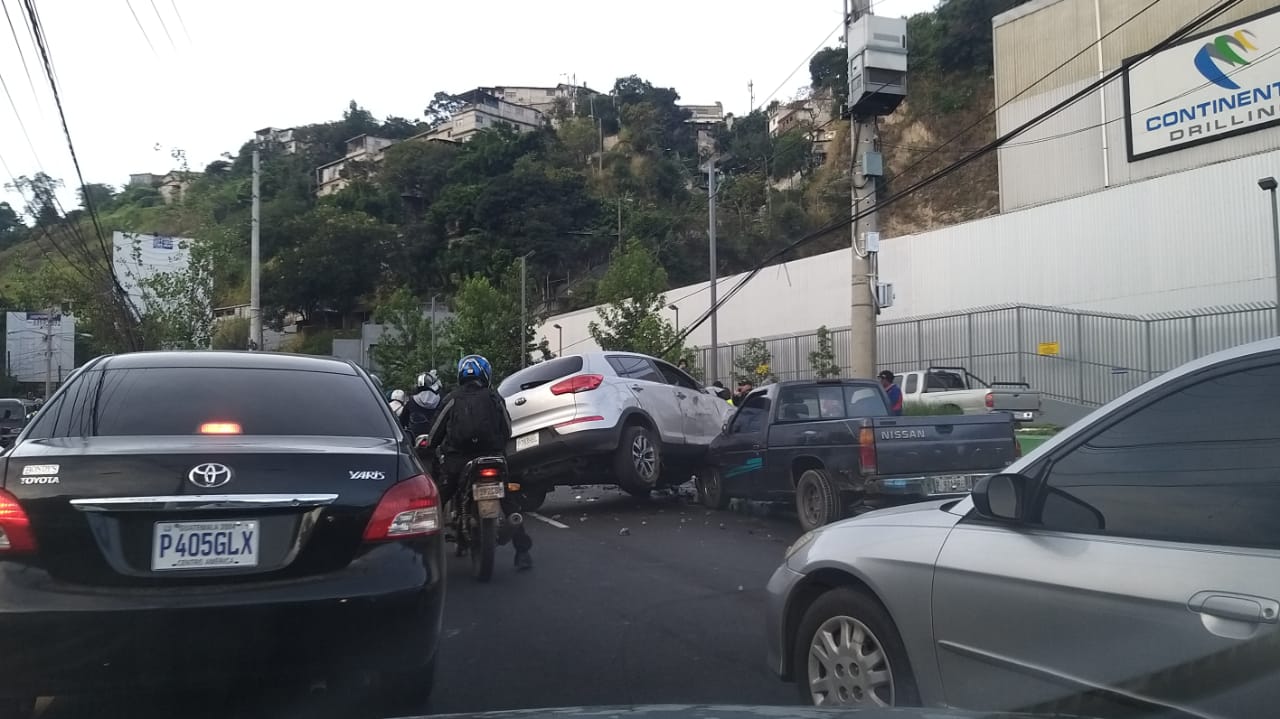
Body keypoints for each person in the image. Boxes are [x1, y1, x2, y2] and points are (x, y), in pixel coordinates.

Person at [428, 355, 533, 571]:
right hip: (492, 457)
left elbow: (435, 433)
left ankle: (422, 556)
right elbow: (507, 429)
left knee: (434, 504)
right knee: (509, 502)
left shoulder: (452, 398)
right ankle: (523, 552)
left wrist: (430, 445)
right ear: (486, 374)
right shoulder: (494, 397)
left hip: (458, 460)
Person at [401, 371, 443, 438]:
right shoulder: (442, 400)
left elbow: (402, 420)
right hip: (435, 436)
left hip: (415, 436)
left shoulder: (412, 400)